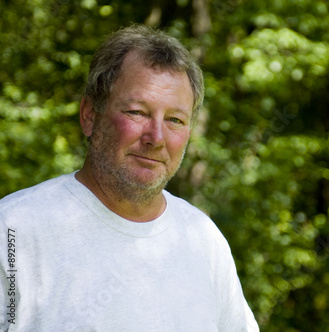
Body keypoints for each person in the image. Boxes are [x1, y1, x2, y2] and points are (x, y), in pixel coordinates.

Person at [0, 24, 259, 331]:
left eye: (175, 119)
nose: (156, 137)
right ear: (89, 115)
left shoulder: (204, 240)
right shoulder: (14, 230)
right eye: (138, 112)